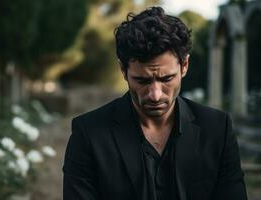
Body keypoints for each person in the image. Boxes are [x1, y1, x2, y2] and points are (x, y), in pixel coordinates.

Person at [63, 6, 247, 200]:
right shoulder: (88, 133)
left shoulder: (217, 128)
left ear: (184, 65)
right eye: (142, 80)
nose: (155, 95)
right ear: (123, 70)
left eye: (167, 79)